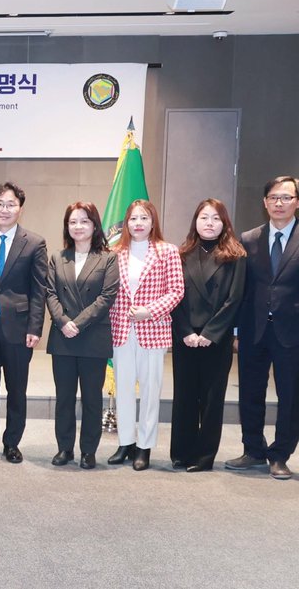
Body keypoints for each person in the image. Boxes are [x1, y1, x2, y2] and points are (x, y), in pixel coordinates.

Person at [0, 182, 47, 464]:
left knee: (17, 389)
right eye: (0, 203)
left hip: (18, 328)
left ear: (20, 209)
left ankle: (12, 442)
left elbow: (39, 290)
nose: (5, 209)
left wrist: (35, 328)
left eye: (11, 204)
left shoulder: (34, 243)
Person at [228, 176, 299, 480]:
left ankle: (280, 453)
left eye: (285, 197)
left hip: (292, 332)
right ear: (265, 202)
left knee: (291, 396)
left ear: (296, 202)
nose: (279, 203)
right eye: (273, 197)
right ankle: (253, 449)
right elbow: (240, 289)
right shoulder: (248, 238)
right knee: (250, 393)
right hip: (253, 329)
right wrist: (235, 332)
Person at [107, 199, 183, 471]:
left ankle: (144, 447)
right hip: (121, 330)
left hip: (153, 329)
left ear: (153, 222)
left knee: (151, 391)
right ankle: (125, 441)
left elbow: (176, 291)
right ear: (125, 223)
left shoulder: (168, 252)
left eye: (144, 218)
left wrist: (149, 311)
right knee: (124, 388)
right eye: (133, 219)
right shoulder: (114, 252)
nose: (138, 224)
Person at [170, 198, 245, 473]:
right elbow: (174, 298)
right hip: (186, 337)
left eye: (215, 218)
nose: (209, 223)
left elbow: (234, 299)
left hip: (216, 337)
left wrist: (210, 333)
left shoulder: (236, 256)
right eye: (204, 217)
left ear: (224, 223)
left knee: (212, 399)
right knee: (185, 395)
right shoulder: (180, 254)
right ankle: (181, 451)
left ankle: (204, 457)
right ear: (196, 222)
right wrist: (186, 332)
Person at [45, 202, 118, 470]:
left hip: (92, 337)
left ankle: (89, 450)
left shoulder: (108, 258)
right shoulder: (57, 257)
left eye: (84, 221)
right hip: (63, 336)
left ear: (95, 225)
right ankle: (64, 448)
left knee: (91, 398)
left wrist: (79, 322)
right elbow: (50, 293)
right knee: (64, 397)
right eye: (73, 222)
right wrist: (64, 322)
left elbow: (107, 296)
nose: (78, 226)